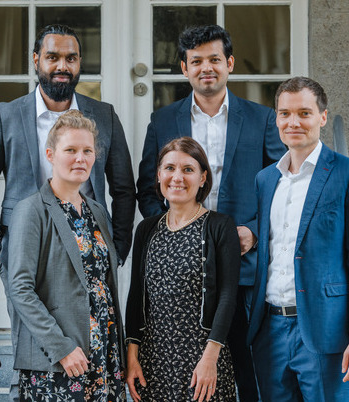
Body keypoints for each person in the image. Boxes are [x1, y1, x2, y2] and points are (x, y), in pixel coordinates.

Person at [0, 24, 135, 400]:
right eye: (53, 57)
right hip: (30, 248)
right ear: (36, 60)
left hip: (88, 240)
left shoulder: (103, 116)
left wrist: (117, 246)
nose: (62, 65)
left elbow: (123, 187)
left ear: (79, 64)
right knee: (35, 340)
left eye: (71, 58)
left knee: (97, 337)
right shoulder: (6, 115)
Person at [136, 24, 286, 401]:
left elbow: (279, 190)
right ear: (184, 68)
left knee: (250, 375)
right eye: (196, 61)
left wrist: (252, 230)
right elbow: (148, 188)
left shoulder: (262, 119)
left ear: (229, 63)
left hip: (244, 266)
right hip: (183, 280)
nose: (206, 68)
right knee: (184, 379)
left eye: (214, 59)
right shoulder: (163, 120)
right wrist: (174, 238)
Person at [247, 76, 349, 401]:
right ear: (276, 118)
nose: (293, 122)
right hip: (270, 332)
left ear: (322, 116)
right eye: (285, 114)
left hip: (325, 331)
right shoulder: (265, 179)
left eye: (304, 113)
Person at [7, 110, 125, 401]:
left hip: (103, 356)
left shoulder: (96, 210)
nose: (80, 158)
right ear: (50, 154)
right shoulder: (31, 210)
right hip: (58, 363)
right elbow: (20, 289)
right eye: (70, 150)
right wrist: (61, 347)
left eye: (87, 151)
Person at [127, 137, 241, 402]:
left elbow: (227, 297)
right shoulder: (146, 229)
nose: (177, 177)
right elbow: (135, 296)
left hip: (202, 362)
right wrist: (132, 356)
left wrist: (210, 359)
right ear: (158, 175)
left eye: (188, 169)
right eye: (169, 168)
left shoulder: (219, 226)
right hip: (153, 361)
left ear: (202, 178)